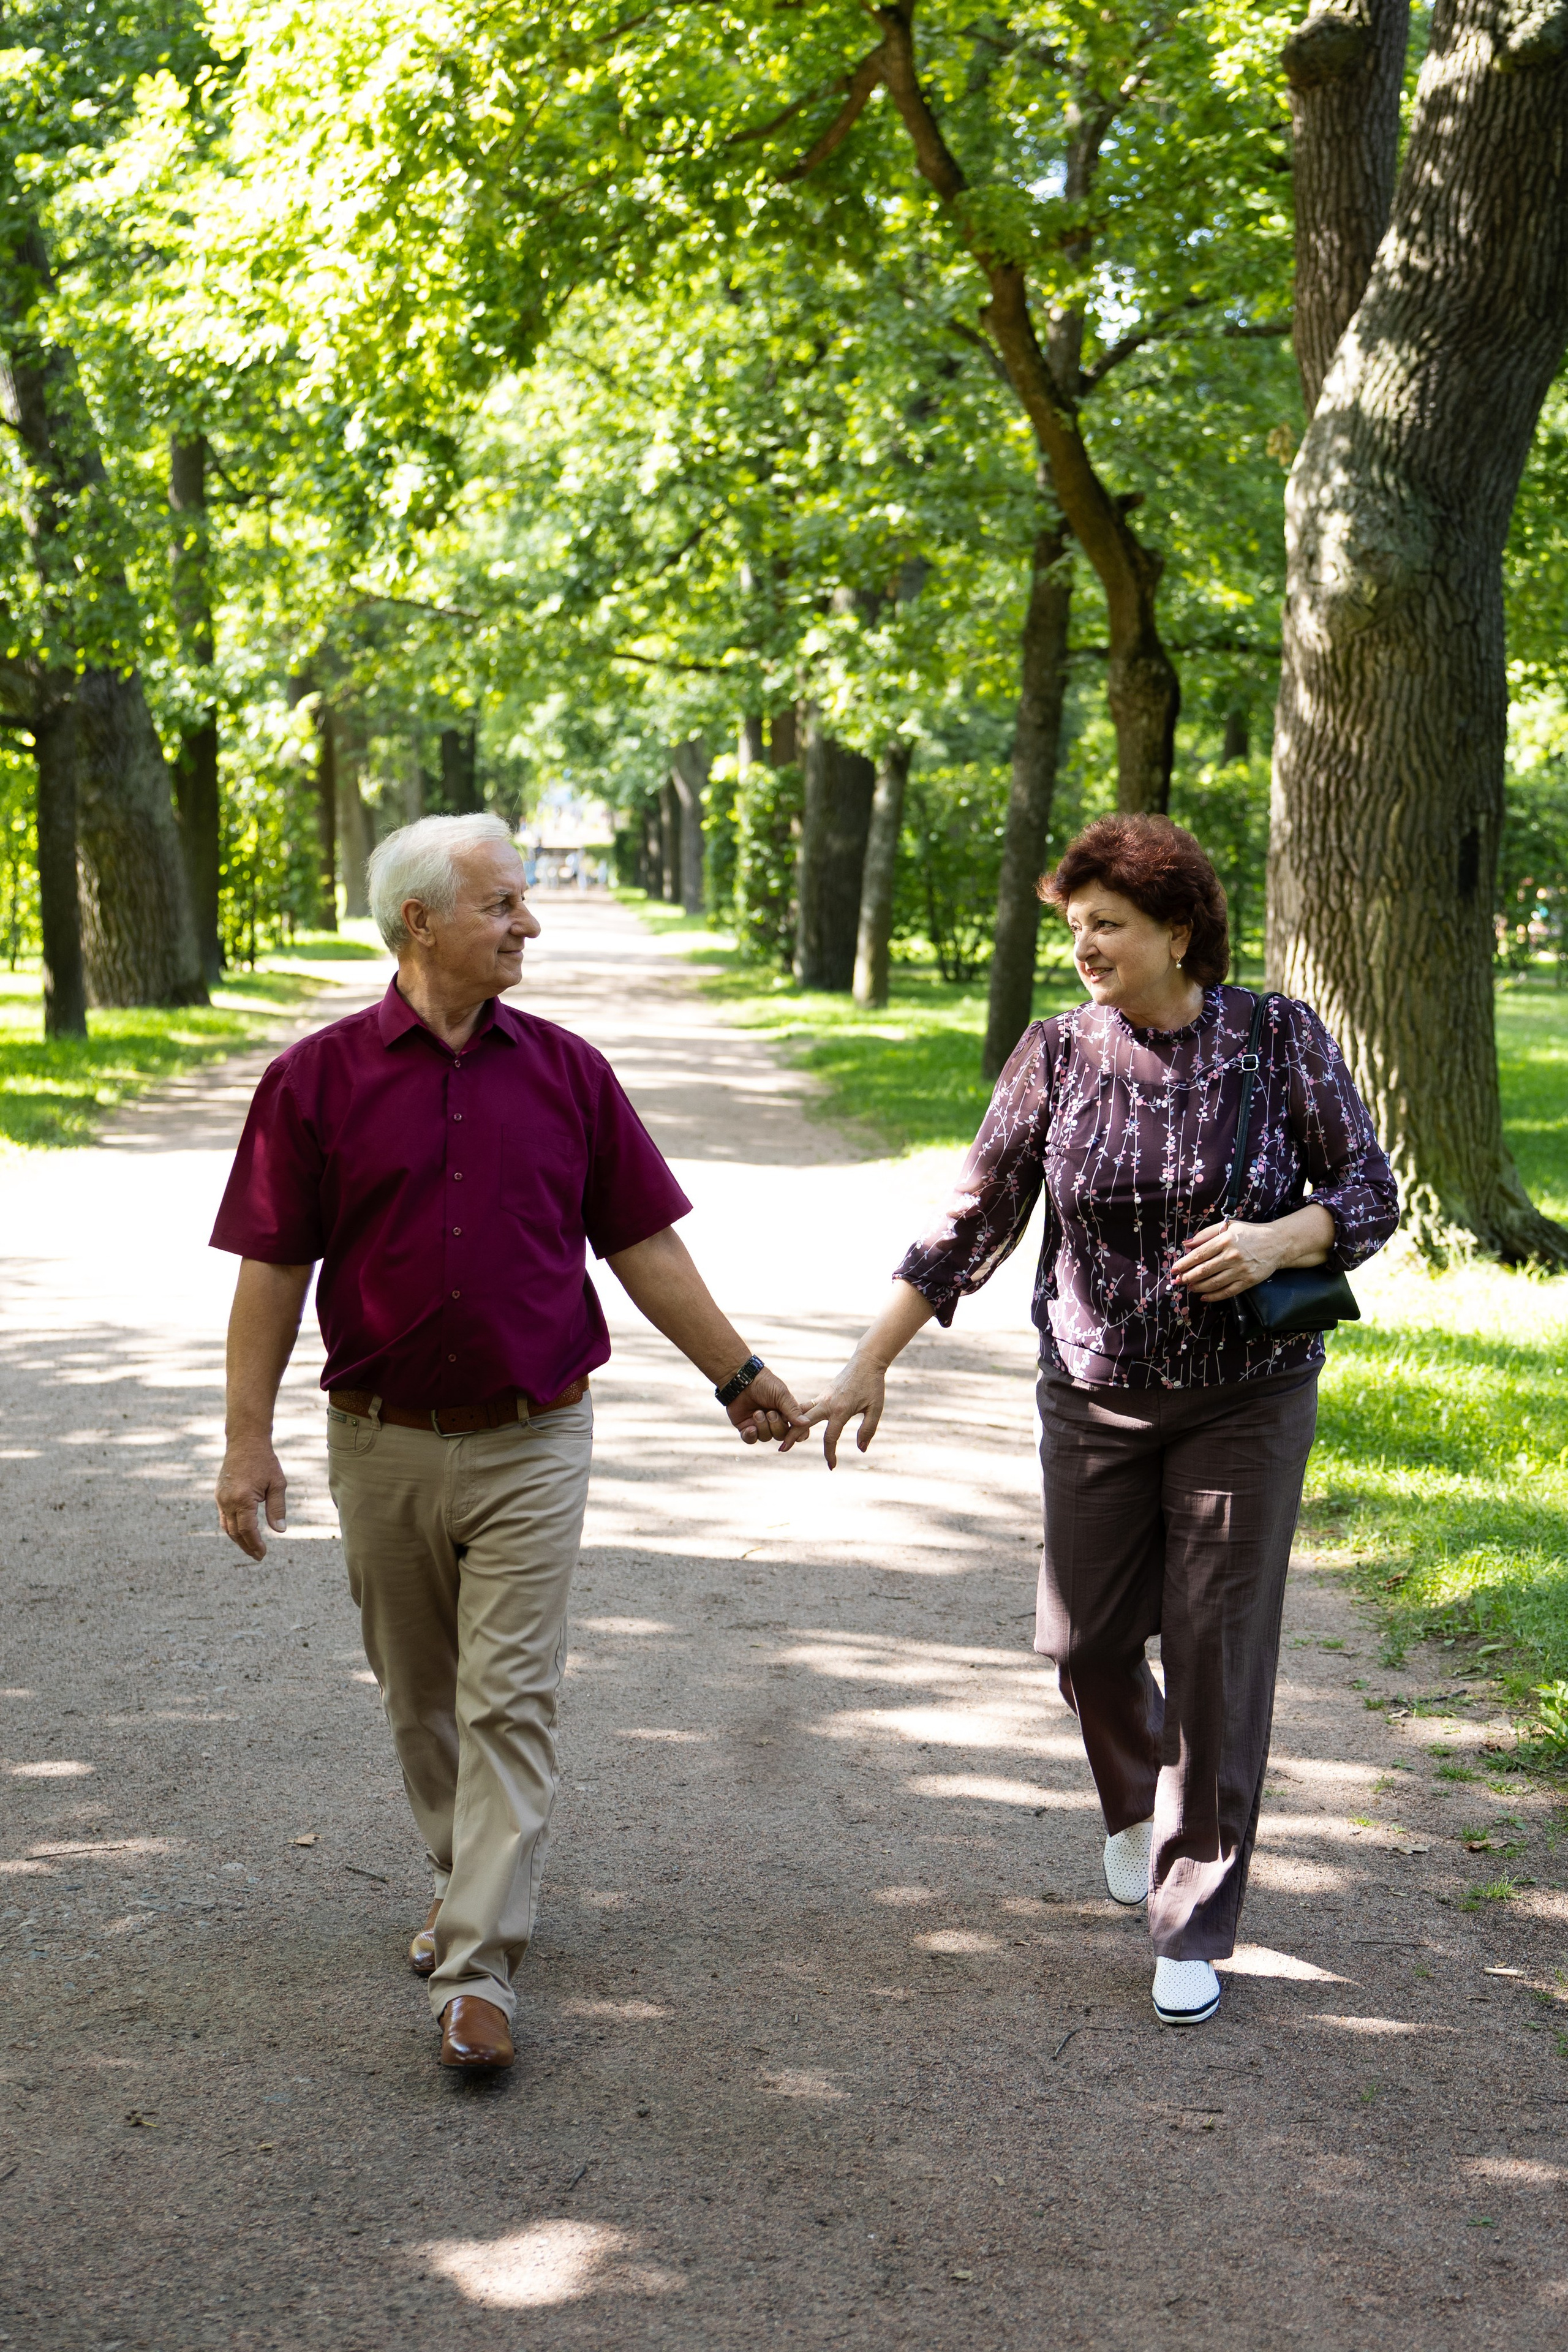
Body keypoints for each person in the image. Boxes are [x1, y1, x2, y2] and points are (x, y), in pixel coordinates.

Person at [211, 813, 807, 2072]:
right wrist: (245, 1440)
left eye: (524, 902)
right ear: (420, 921)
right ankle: (458, 1876)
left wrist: (738, 1375)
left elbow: (642, 1245)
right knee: (421, 1700)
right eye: (502, 905)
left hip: (535, 1436)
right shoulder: (314, 1080)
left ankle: (478, 1968)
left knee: (510, 1701)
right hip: (376, 1440)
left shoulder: (568, 1072)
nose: (527, 923)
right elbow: (273, 1270)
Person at [806, 814, 1399, 2028]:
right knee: (1079, 1642)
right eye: (1072, 925)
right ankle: (1136, 1803)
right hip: (1090, 1389)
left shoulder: (1275, 1038)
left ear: (1178, 932)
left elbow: (1365, 1191)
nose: (1082, 945)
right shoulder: (1058, 1053)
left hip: (1245, 1393)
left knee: (1214, 1648)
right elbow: (971, 1218)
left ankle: (1191, 1918)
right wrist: (869, 1359)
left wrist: (1277, 1239)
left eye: (1106, 925)